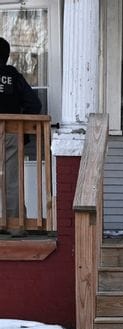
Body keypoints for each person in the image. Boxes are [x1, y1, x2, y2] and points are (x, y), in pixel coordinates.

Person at [0, 37, 42, 220]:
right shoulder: (13, 76)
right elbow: (34, 104)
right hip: (11, 132)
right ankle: (15, 224)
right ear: (6, 56)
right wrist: (22, 128)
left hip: (11, 132)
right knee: (11, 180)